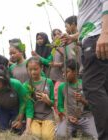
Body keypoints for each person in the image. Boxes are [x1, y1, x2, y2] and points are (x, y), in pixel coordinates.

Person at [60, 1, 108, 139]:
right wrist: (73, 37)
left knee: (92, 87)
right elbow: (90, 19)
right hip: (93, 37)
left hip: (97, 38)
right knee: (103, 88)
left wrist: (105, 33)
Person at [56, 59, 98, 139]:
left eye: (67, 72)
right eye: (63, 72)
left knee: (96, 136)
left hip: (86, 118)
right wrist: (67, 116)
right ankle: (73, 130)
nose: (63, 74)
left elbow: (92, 106)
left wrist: (82, 100)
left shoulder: (85, 84)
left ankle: (79, 130)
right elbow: (60, 107)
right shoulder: (62, 87)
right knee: (60, 135)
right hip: (70, 119)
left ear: (75, 72)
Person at [0, 66, 28, 132]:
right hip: (2, 109)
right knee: (1, 129)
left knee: (16, 129)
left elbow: (24, 101)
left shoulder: (16, 84)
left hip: (16, 109)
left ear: (4, 82)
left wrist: (20, 117)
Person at [22, 57, 55, 140]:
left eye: (35, 69)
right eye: (30, 69)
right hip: (35, 117)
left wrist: (47, 100)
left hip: (47, 116)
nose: (33, 72)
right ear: (27, 69)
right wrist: (27, 127)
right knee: (36, 136)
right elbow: (29, 108)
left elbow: (53, 103)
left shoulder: (49, 82)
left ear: (41, 68)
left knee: (47, 137)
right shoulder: (26, 85)